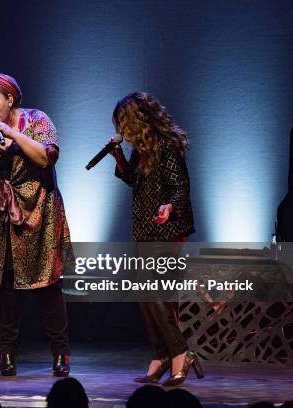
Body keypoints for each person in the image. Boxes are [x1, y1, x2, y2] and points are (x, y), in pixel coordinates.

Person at [0, 73, 73, 377]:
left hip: (38, 214)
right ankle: (6, 354)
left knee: (48, 287)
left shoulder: (37, 120)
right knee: (5, 288)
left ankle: (61, 354)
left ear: (10, 99)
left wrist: (10, 132)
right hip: (0, 218)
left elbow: (46, 157)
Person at [108, 92, 202, 387]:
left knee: (156, 291)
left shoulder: (166, 146)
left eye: (122, 124)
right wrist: (118, 157)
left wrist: (169, 206)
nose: (121, 131)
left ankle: (179, 352)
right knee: (147, 294)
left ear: (136, 121)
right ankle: (161, 354)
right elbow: (136, 181)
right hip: (147, 228)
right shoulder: (142, 149)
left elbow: (180, 187)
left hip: (168, 228)